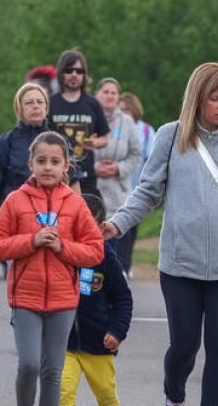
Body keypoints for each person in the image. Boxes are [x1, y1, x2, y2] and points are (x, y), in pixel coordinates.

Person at [104, 62, 218, 406]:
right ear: (197, 98)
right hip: (180, 263)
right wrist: (118, 223)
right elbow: (148, 190)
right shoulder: (170, 136)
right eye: (215, 98)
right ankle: (174, 397)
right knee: (184, 346)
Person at [0, 131, 105, 406]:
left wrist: (62, 248)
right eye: (41, 161)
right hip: (25, 297)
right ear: (30, 164)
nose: (48, 167)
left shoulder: (75, 204)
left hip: (64, 300)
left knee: (52, 373)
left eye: (55, 161)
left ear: (66, 166)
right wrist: (32, 242)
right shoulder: (15, 200)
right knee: (28, 364)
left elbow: (95, 251)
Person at [54, 194, 133, 406]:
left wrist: (117, 331)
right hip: (63, 342)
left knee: (106, 393)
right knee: (63, 392)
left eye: (87, 224)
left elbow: (123, 299)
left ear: (99, 228)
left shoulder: (106, 257)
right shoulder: (58, 252)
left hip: (99, 343)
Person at [0, 83, 62, 217]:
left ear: (46, 107)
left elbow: (73, 180)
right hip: (13, 215)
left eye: (40, 102)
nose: (36, 106)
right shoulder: (5, 142)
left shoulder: (61, 142)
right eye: (29, 103)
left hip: (54, 215)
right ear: (19, 109)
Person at [93, 78, 142, 271]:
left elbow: (137, 154)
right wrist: (95, 167)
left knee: (114, 245)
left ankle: (117, 277)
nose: (110, 96)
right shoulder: (90, 117)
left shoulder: (128, 122)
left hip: (118, 191)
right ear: (97, 94)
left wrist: (118, 168)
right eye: (105, 91)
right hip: (93, 188)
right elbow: (78, 150)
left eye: (114, 93)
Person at [49, 49, 110, 198]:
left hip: (87, 176)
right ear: (61, 73)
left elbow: (105, 138)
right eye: (69, 70)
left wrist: (94, 142)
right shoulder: (50, 103)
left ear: (84, 75)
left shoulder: (93, 104)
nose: (74, 74)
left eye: (79, 70)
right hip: (57, 175)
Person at [117, 91, 156, 273]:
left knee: (132, 229)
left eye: (127, 109)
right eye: (121, 109)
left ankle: (127, 264)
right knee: (119, 226)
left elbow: (152, 159)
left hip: (137, 187)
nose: (124, 113)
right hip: (117, 187)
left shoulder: (146, 131)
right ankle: (120, 265)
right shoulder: (113, 127)